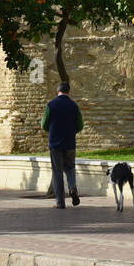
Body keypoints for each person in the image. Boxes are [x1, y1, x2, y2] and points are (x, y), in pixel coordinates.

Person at [41, 81, 83, 209]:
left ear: (57, 92)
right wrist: (71, 131)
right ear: (69, 92)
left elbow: (43, 124)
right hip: (70, 142)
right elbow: (80, 125)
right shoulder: (74, 106)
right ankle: (72, 188)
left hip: (55, 143)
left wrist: (52, 131)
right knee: (70, 168)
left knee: (57, 171)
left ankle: (60, 202)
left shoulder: (51, 105)